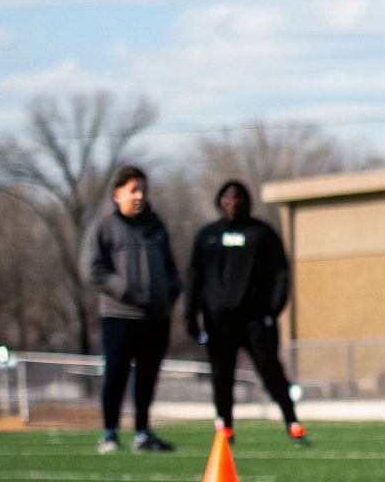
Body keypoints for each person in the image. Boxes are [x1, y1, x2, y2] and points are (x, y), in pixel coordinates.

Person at [184, 180, 308, 445]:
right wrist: (190, 316)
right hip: (218, 321)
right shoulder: (208, 236)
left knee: (270, 370)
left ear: (247, 202)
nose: (233, 205)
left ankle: (292, 421)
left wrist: (271, 311)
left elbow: (280, 274)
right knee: (222, 375)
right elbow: (194, 277)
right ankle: (225, 427)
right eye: (227, 200)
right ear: (219, 202)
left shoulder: (261, 234)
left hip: (255, 321)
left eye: (238, 200)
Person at [81, 164, 179, 454]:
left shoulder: (156, 226)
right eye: (133, 190)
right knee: (116, 375)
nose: (139, 196)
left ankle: (142, 432)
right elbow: (92, 270)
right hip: (119, 316)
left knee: (148, 377)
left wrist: (172, 290)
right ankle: (110, 433)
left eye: (143, 190)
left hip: (156, 317)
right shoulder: (105, 228)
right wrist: (124, 291)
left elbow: (171, 267)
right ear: (117, 194)